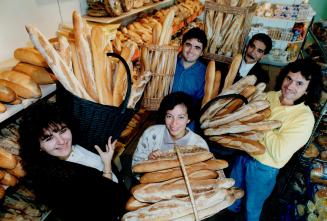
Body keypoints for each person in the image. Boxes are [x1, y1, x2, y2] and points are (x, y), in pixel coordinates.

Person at [228, 58, 323, 221]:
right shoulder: (272, 95)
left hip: (263, 168)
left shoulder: (304, 119)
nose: (290, 86)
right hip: (243, 154)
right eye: (289, 78)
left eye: (299, 84)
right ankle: (230, 214)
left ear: (308, 90)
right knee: (231, 196)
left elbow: (278, 152)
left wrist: (259, 120)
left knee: (252, 207)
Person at [19, 102, 130, 221]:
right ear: (38, 145)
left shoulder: (81, 142)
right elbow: (102, 205)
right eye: (49, 138)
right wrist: (107, 166)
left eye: (62, 130)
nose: (61, 141)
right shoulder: (53, 181)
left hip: (127, 201)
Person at [132, 92, 209, 166]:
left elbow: (207, 174)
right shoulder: (151, 134)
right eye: (169, 116)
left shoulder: (199, 145)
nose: (174, 123)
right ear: (164, 116)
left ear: (189, 119)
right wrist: (148, 161)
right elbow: (135, 167)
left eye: (181, 117)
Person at [171, 27, 208, 102]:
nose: (191, 51)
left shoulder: (205, 73)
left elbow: (198, 102)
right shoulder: (169, 64)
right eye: (188, 45)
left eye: (197, 48)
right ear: (182, 45)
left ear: (202, 53)